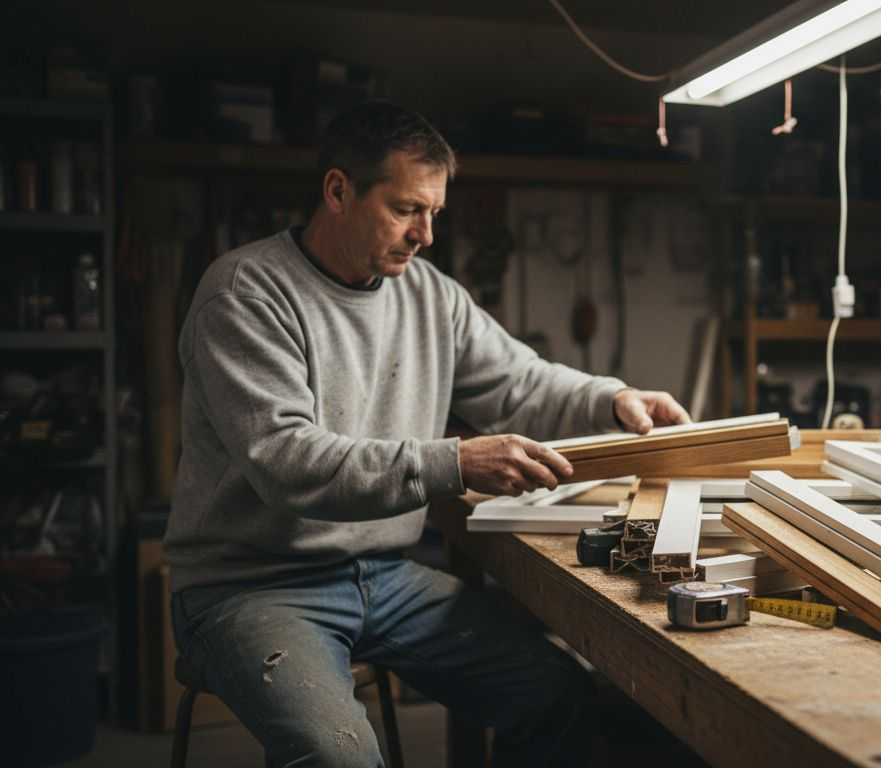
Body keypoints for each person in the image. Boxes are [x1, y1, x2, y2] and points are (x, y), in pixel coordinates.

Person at [164, 100, 690, 767]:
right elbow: (288, 463)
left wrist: (613, 399)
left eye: (434, 213)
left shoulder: (430, 297)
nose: (426, 235)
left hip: (381, 575)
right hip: (249, 586)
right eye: (407, 209)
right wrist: (455, 463)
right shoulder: (245, 293)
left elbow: (519, 382)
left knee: (556, 693)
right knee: (337, 757)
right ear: (337, 190)